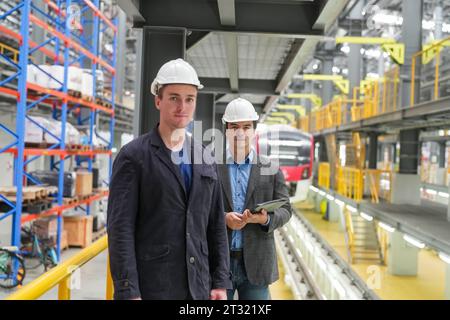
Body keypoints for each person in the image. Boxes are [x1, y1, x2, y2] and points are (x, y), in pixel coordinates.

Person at [107, 58, 231, 300]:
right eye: (174, 97)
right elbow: (120, 229)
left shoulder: (205, 157)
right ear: (158, 100)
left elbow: (216, 225)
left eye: (189, 99)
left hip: (198, 287)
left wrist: (220, 282)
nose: (182, 106)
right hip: (153, 287)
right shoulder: (134, 157)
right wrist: (128, 291)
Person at [217, 98, 292, 300]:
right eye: (234, 127)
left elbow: (286, 210)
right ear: (226, 130)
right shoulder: (211, 167)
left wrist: (265, 220)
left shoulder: (271, 169)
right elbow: (198, 209)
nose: (240, 133)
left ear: (253, 131)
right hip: (218, 264)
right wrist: (223, 218)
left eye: (246, 127)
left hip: (258, 263)